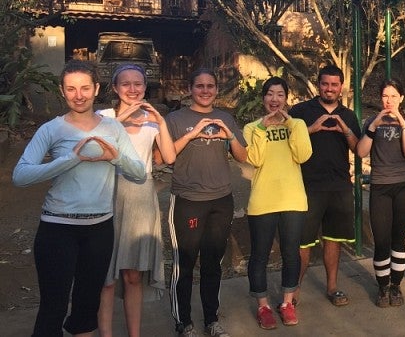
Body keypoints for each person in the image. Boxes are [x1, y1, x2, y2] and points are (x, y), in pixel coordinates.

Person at [13, 60, 145, 337]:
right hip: (57, 228)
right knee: (54, 306)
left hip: (99, 229)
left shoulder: (113, 128)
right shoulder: (52, 129)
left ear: (96, 89)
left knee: (87, 305)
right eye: (71, 89)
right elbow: (21, 175)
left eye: (85, 87)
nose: (79, 95)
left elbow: (139, 174)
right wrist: (70, 159)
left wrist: (116, 157)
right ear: (62, 91)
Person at [166, 68, 247, 337]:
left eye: (210, 86)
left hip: (220, 200)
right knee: (185, 262)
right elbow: (163, 157)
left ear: (216, 89)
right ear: (190, 89)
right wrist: (192, 134)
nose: (205, 90)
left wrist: (230, 136)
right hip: (188, 200)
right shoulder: (175, 119)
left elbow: (243, 157)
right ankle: (183, 322)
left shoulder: (225, 118)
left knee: (213, 262)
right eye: (199, 86)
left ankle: (211, 319)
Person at [97, 64, 176, 337]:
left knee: (133, 274)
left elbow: (169, 157)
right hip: (107, 196)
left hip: (141, 198)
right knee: (106, 276)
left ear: (145, 86)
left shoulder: (153, 120)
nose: (133, 89)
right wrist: (121, 119)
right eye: (126, 84)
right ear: (115, 88)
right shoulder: (103, 116)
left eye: (138, 84)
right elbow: (94, 143)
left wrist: (161, 122)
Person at [289, 65, 361, 307]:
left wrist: (346, 129)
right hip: (308, 186)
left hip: (339, 186)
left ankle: (332, 287)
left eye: (334, 84)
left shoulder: (349, 115)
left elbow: (357, 148)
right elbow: (288, 143)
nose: (329, 88)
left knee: (333, 239)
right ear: (318, 84)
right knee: (303, 241)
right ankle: (293, 291)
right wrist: (312, 129)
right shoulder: (300, 111)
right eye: (325, 84)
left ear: (341, 87)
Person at [243, 77, 312, 328]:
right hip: (263, 200)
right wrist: (263, 128)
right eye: (270, 94)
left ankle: (287, 303)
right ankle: (263, 307)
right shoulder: (252, 128)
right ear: (263, 99)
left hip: (293, 199)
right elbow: (256, 160)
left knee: (291, 254)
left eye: (280, 94)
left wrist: (290, 123)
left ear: (286, 98)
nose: (275, 100)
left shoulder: (298, 124)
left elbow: (302, 155)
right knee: (259, 255)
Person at [356, 79, 405, 307]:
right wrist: (373, 127)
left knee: (398, 239)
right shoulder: (371, 122)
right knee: (381, 240)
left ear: (401, 98)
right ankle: (382, 287)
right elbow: (361, 151)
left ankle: (396, 286)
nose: (389, 100)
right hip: (380, 186)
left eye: (394, 96)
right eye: (385, 96)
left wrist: (401, 123)